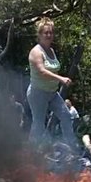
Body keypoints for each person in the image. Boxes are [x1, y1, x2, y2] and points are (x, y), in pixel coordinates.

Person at [27, 18, 78, 150]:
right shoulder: (36, 52)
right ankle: (30, 152)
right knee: (38, 124)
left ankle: (72, 147)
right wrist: (61, 78)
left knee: (66, 116)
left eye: (51, 33)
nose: (49, 35)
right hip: (38, 93)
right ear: (39, 35)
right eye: (46, 33)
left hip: (52, 93)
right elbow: (42, 71)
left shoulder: (51, 51)